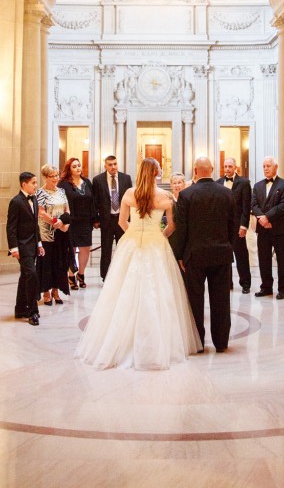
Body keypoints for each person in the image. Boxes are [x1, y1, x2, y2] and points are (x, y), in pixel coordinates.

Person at [76, 158, 201, 369]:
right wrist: (159, 235)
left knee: (123, 290)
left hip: (131, 243)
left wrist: (133, 233)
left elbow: (121, 222)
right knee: (159, 290)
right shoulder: (165, 196)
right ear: (155, 173)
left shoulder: (129, 193)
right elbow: (172, 225)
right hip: (156, 244)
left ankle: (120, 340)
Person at [172, 156, 238, 352]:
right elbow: (233, 225)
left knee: (195, 300)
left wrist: (179, 255)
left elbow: (181, 228)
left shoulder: (186, 195)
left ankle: (198, 342)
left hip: (195, 255)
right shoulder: (226, 193)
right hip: (221, 253)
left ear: (195, 170)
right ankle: (221, 342)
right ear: (213, 169)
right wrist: (228, 246)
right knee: (221, 300)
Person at [6, 171, 45, 326]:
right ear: (24, 184)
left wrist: (39, 243)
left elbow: (35, 225)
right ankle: (32, 312)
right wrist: (13, 248)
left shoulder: (34, 199)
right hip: (22, 247)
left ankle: (20, 309)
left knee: (25, 276)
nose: (36, 185)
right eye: (33, 183)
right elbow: (11, 227)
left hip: (33, 245)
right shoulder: (16, 202)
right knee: (31, 275)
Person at [251, 156, 284, 299]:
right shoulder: (257, 186)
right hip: (263, 229)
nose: (266, 168)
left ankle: (283, 289)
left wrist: (267, 217)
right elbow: (254, 205)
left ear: (276, 167)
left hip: (279, 228)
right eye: (264, 166)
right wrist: (262, 219)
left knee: (282, 260)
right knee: (264, 259)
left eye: (268, 166)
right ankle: (266, 287)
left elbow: (283, 205)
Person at [36, 164, 73, 305]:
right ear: (45, 177)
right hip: (46, 233)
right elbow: (41, 212)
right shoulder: (40, 193)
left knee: (59, 262)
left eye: (57, 175)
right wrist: (54, 221)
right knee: (47, 263)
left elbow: (67, 210)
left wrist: (62, 222)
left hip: (61, 231)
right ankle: (46, 292)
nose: (55, 178)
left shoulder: (62, 191)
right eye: (52, 176)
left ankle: (56, 291)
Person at [92, 155, 133, 281]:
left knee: (123, 249)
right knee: (106, 250)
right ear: (105, 166)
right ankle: (105, 277)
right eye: (110, 165)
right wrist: (96, 219)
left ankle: (124, 275)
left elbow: (131, 199)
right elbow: (95, 201)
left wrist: (131, 219)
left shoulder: (126, 178)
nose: (113, 167)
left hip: (122, 219)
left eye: (115, 164)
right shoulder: (98, 180)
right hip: (107, 220)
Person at [58, 157, 96, 290]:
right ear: (69, 169)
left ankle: (81, 274)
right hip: (71, 221)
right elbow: (61, 203)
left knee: (85, 248)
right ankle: (71, 275)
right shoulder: (63, 184)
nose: (78, 168)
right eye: (74, 166)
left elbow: (93, 201)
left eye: (79, 165)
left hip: (85, 221)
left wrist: (95, 219)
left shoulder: (87, 182)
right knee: (71, 249)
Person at [216, 157, 252, 293]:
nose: (227, 169)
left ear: (235, 167)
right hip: (222, 226)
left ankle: (245, 284)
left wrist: (244, 225)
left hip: (237, 225)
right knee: (225, 255)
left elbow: (246, 206)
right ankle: (227, 283)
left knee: (241, 255)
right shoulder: (218, 183)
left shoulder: (244, 183)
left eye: (230, 166)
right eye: (225, 166)